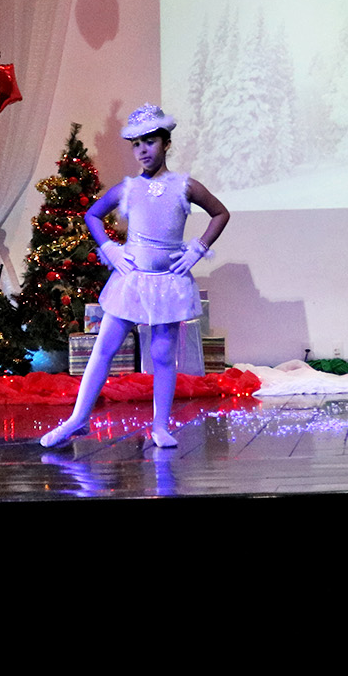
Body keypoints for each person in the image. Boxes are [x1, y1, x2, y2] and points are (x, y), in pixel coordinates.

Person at [41, 104, 229, 450]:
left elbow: (220, 213)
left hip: (167, 282)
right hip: (132, 281)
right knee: (104, 348)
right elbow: (93, 215)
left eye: (150, 142)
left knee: (162, 354)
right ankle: (78, 419)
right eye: (137, 144)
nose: (143, 150)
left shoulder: (184, 185)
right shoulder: (128, 189)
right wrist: (110, 249)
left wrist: (198, 248)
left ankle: (160, 425)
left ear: (166, 143)